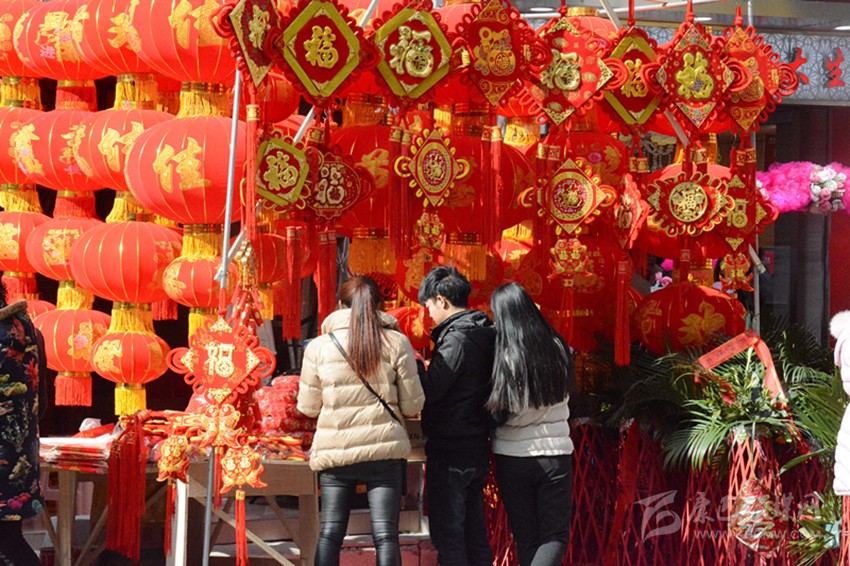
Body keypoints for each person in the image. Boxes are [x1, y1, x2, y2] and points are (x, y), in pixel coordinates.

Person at [298, 276, 425, 566]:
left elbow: (307, 407)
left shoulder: (318, 347)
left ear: (339, 304)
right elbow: (413, 404)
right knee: (386, 536)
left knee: (330, 533)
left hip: (336, 449)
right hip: (385, 451)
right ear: (379, 304)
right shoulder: (396, 342)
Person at [487, 282, 575, 566]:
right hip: (555, 454)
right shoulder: (558, 346)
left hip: (512, 456)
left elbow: (498, 412)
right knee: (554, 537)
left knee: (527, 538)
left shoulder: (504, 356)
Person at [416, 266, 495, 566]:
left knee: (449, 536)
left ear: (442, 300)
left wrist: (414, 367)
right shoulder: (484, 331)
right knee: (474, 532)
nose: (429, 314)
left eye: (429, 306)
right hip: (476, 442)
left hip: (452, 446)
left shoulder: (457, 338)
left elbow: (433, 389)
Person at [0, 282, 44, 566]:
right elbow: (43, 399)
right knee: (10, 540)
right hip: (20, 453)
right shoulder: (28, 329)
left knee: (9, 544)